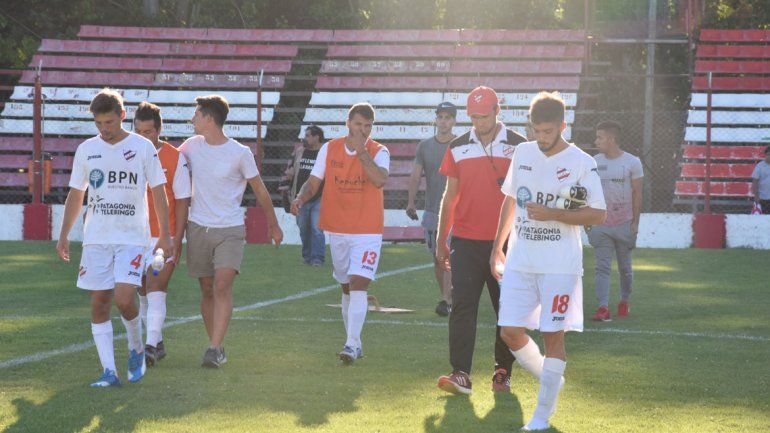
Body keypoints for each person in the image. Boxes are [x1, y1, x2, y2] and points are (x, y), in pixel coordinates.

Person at [490, 92, 606, 431]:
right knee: (510, 332)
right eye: (536, 131)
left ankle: (541, 417)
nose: (541, 138)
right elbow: (510, 201)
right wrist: (498, 246)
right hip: (520, 261)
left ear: (562, 127)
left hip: (559, 265)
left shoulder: (581, 162)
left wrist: (554, 213)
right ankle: (552, 377)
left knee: (553, 336)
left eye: (548, 132)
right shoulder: (523, 153)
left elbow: (597, 214)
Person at [56, 89, 172, 387]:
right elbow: (77, 193)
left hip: (132, 238)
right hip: (96, 239)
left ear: (122, 116)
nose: (104, 129)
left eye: (109, 122)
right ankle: (109, 371)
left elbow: (159, 192)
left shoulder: (143, 148)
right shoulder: (87, 150)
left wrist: (166, 236)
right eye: (98, 124)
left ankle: (135, 348)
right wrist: (64, 234)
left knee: (124, 299)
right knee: (99, 304)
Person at [180, 95, 283, 368]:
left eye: (196, 115)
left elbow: (259, 189)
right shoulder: (190, 147)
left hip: (230, 230)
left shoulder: (240, 152)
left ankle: (213, 348)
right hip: (198, 227)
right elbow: (170, 167)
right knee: (206, 289)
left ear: (209, 119)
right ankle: (217, 344)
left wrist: (273, 224)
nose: (192, 120)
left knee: (222, 285)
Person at [435, 86, 525, 395]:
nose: (478, 122)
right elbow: (450, 195)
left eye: (483, 116)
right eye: (473, 116)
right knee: (462, 306)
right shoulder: (458, 146)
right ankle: (460, 372)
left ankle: (502, 370)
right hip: (465, 240)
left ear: (497, 111)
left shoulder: (520, 146)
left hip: (509, 242)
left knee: (507, 309)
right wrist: (440, 238)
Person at [291, 103, 389, 365]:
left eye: (368, 126)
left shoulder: (379, 151)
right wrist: (300, 197)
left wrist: (361, 152)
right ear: (348, 123)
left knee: (359, 283)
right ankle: (354, 342)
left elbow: (379, 180)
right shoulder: (329, 148)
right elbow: (313, 183)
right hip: (338, 228)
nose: (363, 130)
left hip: (368, 230)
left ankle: (350, 343)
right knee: (346, 286)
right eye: (358, 125)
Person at [132, 101, 191, 364]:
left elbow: (182, 201)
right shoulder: (127, 154)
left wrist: (175, 240)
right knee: (142, 290)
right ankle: (155, 341)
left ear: (158, 130)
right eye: (139, 132)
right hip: (133, 238)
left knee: (156, 285)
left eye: (148, 132)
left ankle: (150, 346)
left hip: (163, 238)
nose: (143, 137)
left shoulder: (175, 158)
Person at [588, 120, 644, 321]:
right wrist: (589, 221)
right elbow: (587, 192)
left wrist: (635, 223)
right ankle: (603, 307)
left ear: (611, 139)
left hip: (624, 224)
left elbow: (638, 194)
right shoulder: (593, 162)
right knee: (602, 267)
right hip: (600, 224)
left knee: (624, 269)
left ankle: (624, 300)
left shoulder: (632, 162)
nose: (596, 141)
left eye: (600, 137)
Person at [406, 102, 457, 317]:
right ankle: (448, 297)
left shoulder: (460, 144)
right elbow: (416, 175)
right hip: (431, 211)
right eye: (440, 117)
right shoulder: (424, 146)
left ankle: (446, 299)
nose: (443, 121)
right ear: (435, 119)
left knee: (450, 257)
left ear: (454, 120)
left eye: (448, 117)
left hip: (456, 211)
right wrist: (410, 202)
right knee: (437, 258)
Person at [285, 125, 326, 266]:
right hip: (300, 198)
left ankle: (317, 259)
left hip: (319, 198)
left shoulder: (325, 153)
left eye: (308, 135)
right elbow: (289, 170)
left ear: (317, 137)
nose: (305, 138)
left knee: (317, 229)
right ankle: (307, 256)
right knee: (303, 229)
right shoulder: (299, 151)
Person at [751, 146, 770, 215]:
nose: (769, 156)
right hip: (762, 198)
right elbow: (755, 182)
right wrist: (756, 197)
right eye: (768, 154)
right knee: (763, 219)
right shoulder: (760, 166)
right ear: (765, 155)